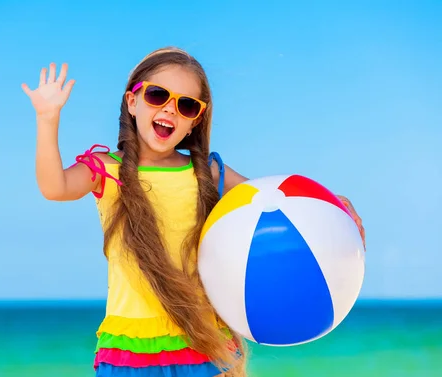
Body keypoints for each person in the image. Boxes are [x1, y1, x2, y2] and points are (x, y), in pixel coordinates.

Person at [21, 47, 366, 377]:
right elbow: (55, 187)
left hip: (204, 342)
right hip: (131, 350)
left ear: (195, 121)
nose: (170, 109)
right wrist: (47, 119)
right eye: (158, 95)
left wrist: (331, 206)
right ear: (132, 102)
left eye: (186, 105)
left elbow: (272, 197)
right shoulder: (106, 169)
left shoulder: (207, 172)